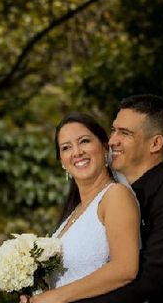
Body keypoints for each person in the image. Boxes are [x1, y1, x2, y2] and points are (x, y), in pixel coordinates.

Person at [75, 94, 163, 303]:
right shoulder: (105, 194)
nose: (113, 140)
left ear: (155, 144)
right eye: (114, 130)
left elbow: (148, 281)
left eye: (125, 133)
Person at [21, 112, 141, 303]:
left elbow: (125, 268)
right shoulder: (73, 213)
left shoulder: (115, 196)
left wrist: (55, 296)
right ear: (62, 160)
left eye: (84, 141)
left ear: (103, 146)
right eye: (66, 147)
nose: (77, 152)